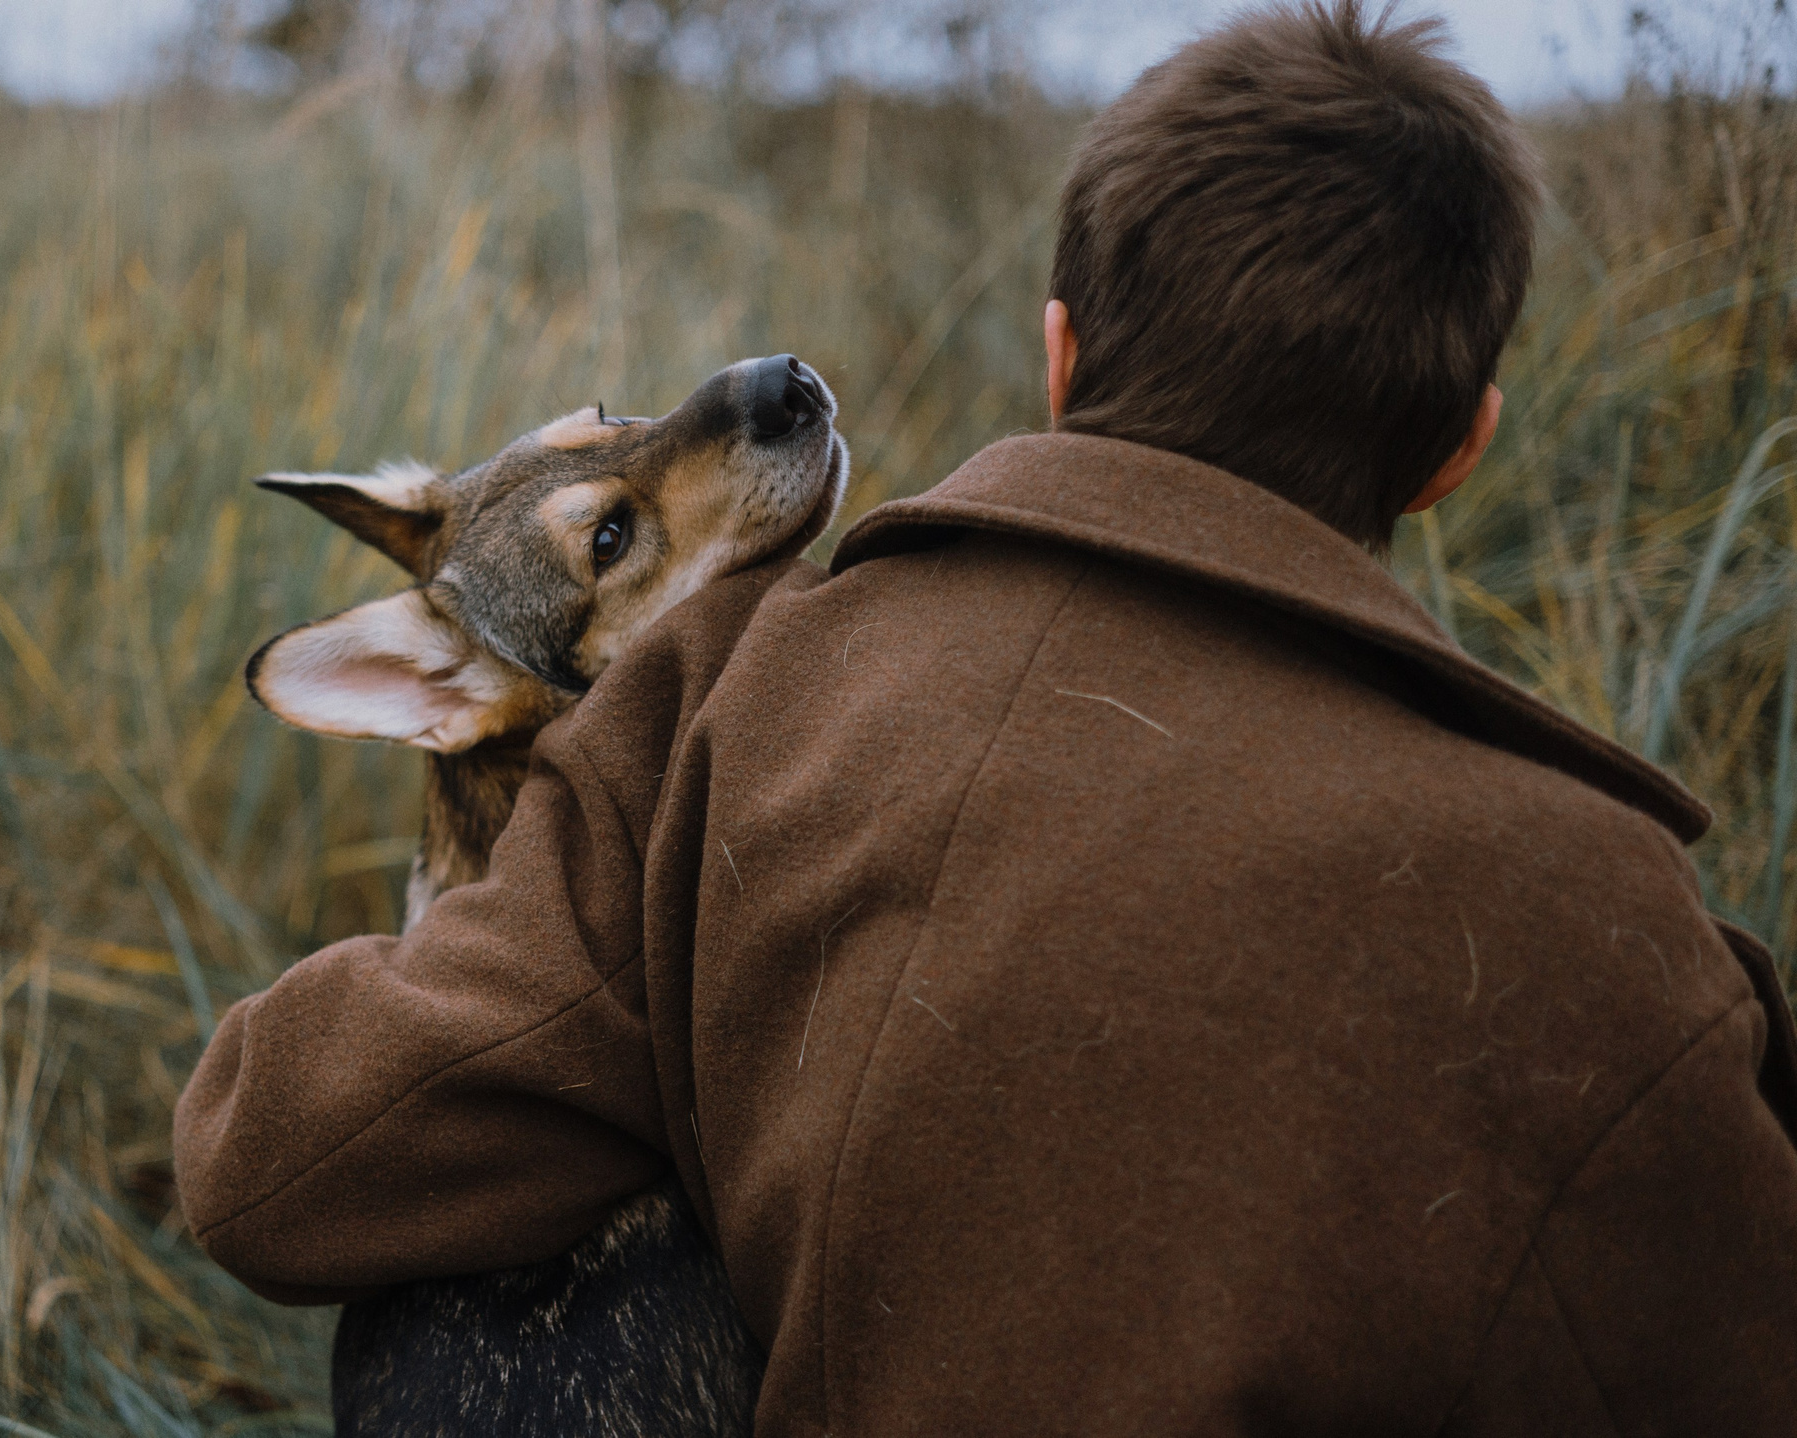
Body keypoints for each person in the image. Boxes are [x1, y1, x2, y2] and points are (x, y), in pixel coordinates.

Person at [172, 3, 1797, 1430]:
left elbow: (271, 1167)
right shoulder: (1633, 961)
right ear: (1461, 450)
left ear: (1060, 348)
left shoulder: (727, 713)